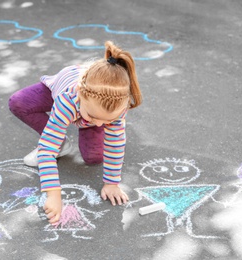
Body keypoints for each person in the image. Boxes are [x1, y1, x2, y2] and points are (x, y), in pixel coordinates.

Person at [8, 41, 142, 224]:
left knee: (94, 158)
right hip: (62, 89)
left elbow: (115, 143)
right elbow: (46, 150)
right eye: (95, 117)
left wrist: (112, 183)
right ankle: (61, 144)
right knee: (19, 102)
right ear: (80, 94)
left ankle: (82, 125)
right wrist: (53, 194)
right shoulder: (67, 101)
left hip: (90, 102)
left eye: (107, 121)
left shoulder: (117, 107)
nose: (100, 124)